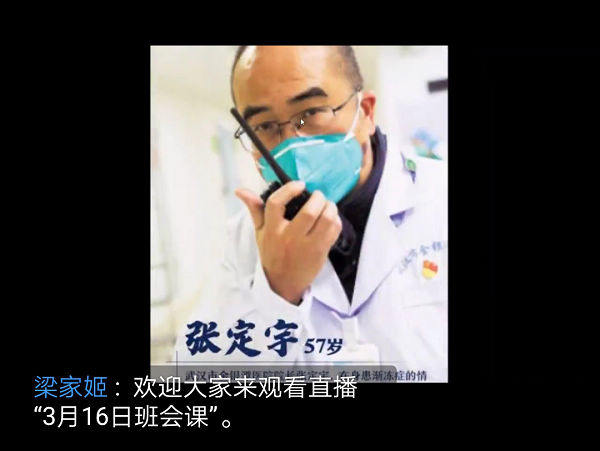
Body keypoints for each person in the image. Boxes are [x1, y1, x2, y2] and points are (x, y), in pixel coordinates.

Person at [174, 46, 447, 382]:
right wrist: (276, 292)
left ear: (366, 113)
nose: (292, 143)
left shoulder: (439, 198)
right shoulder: (246, 240)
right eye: (264, 126)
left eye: (310, 112)